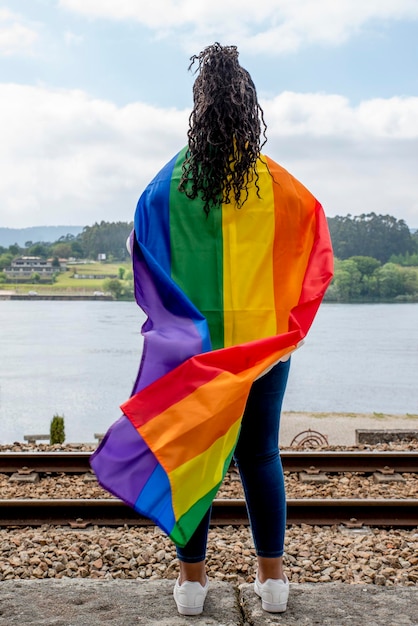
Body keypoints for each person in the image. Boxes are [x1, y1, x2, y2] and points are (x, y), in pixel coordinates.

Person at [91, 42, 333, 617]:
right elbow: (315, 254)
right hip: (264, 347)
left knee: (192, 453)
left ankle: (192, 586)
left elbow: (142, 263)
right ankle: (272, 584)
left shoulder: (164, 188)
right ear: (250, 109)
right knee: (260, 455)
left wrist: (172, 325)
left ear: (200, 108)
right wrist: (290, 327)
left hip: (195, 353)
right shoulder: (285, 191)